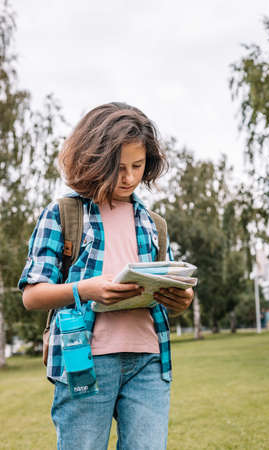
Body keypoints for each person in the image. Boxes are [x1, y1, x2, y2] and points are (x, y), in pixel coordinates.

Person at [18, 102, 194, 450]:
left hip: (148, 360)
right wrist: (87, 289)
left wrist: (182, 299)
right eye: (119, 168)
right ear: (95, 160)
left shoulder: (153, 223)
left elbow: (169, 294)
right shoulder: (63, 213)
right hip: (84, 361)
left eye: (137, 166)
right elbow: (32, 295)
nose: (129, 178)